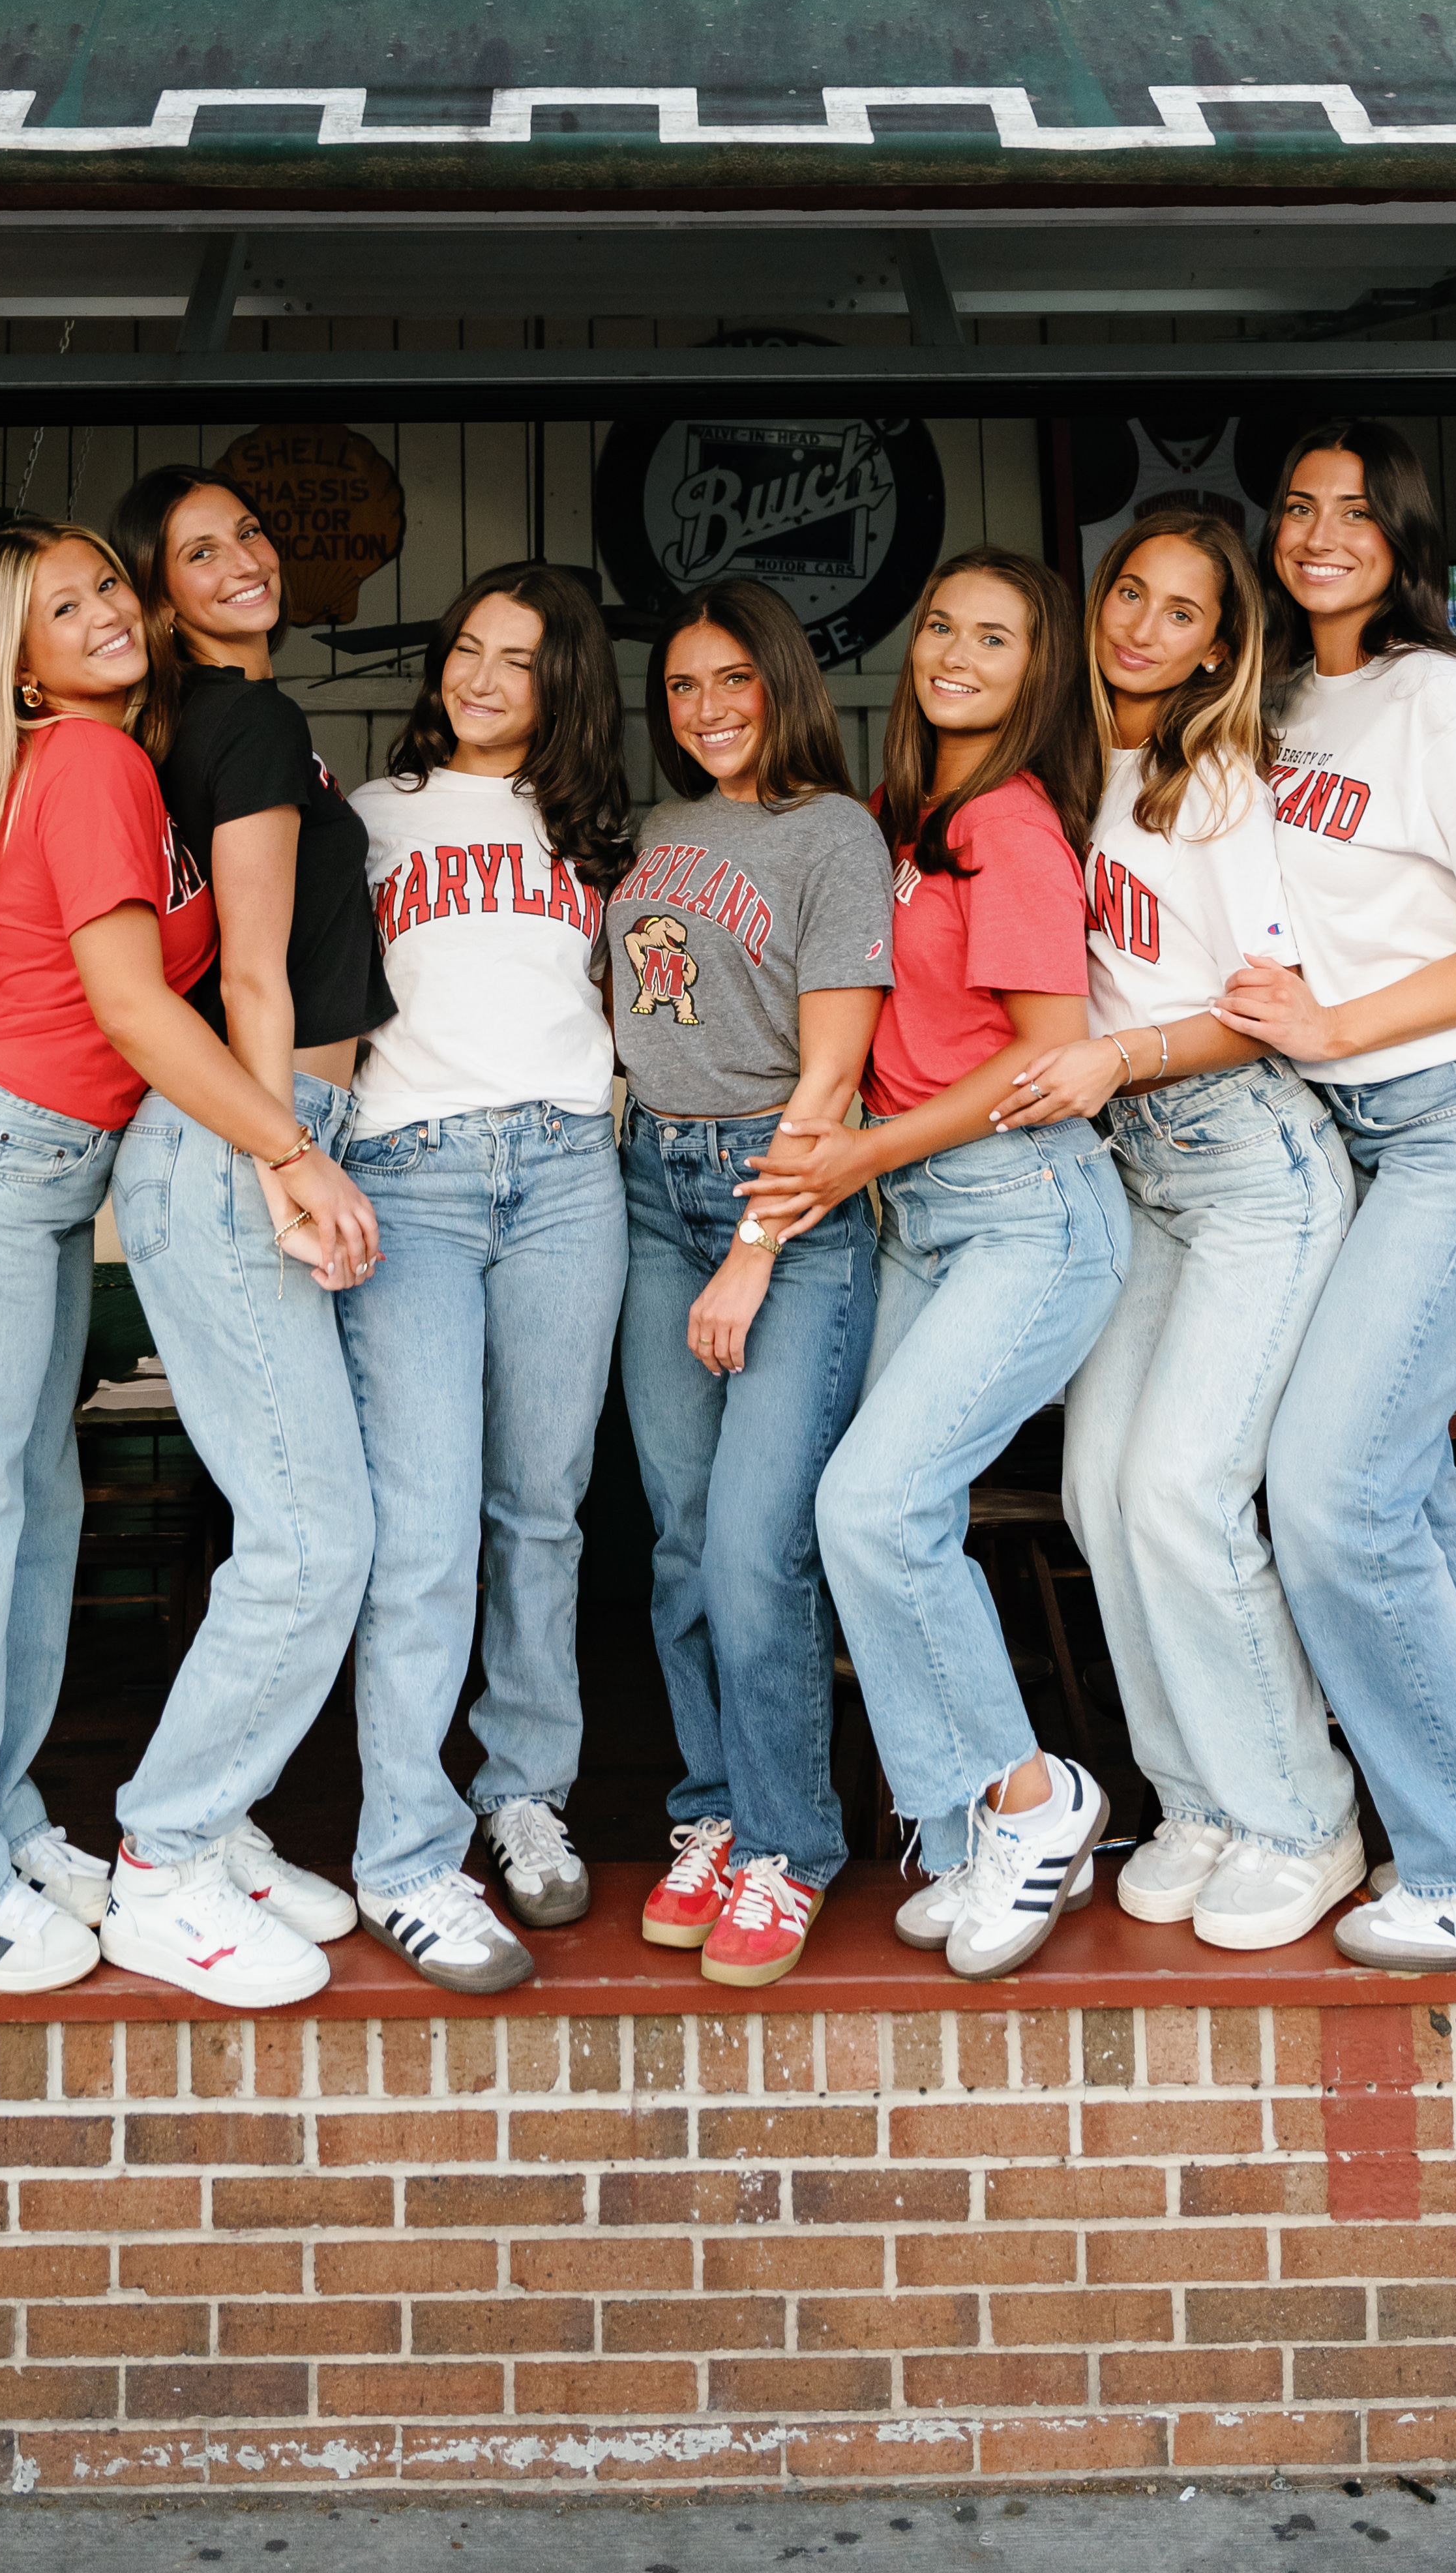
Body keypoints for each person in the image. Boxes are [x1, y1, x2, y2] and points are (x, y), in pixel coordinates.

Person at [0, 524, 376, 1997]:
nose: (102, 617)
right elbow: (136, 1014)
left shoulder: (116, 764)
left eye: (102, 590)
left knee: (22, 1530)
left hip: (37, 1182)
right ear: (13, 667)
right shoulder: (87, 765)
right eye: (57, 609)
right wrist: (283, 1149)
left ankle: (1, 1824)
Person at [1217, 419, 1456, 1971]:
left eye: (1355, 512)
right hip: (1362, 1142)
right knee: (1406, 1494)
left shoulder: (1439, 699)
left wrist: (1331, 1028)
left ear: (1401, 537)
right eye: (1299, 509)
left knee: (1331, 1493)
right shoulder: (1281, 700)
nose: (1319, 533)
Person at [770, 548, 1129, 1982]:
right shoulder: (900, 816)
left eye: (995, 637)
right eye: (940, 628)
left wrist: (860, 1152)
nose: (955, 654)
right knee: (869, 1517)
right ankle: (972, 1812)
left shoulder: (1012, 827)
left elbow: (1054, 1062)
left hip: (1028, 1208)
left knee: (873, 1503)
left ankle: (1033, 1804)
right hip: (927, 1207)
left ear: (1037, 672)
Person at [1025, 511, 1361, 1950]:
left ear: (1220, 644)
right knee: (1101, 1496)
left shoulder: (1212, 778)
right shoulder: (1061, 772)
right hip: (1135, 1174)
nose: (1142, 630)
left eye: (1181, 613)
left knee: (1179, 1490)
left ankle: (1303, 1815)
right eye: (1128, 597)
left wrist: (1119, 1061)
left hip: (1248, 1167)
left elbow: (1254, 1004)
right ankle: (1199, 1801)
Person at [98, 469, 392, 2009]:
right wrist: (287, 1157)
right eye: (195, 553)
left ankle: (223, 1822)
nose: (240, 563)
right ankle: (165, 1850)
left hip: (237, 1141)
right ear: (156, 597)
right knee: (310, 1537)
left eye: (250, 535)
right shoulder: (250, 727)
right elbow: (257, 981)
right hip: (244, 1139)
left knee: (293, 1522)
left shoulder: (206, 732)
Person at [336, 565, 636, 1991]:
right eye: (466, 650)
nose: (478, 678)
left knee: (543, 1510)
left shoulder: (602, 838)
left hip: (573, 1172)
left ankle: (524, 1788)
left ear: (561, 684)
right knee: (424, 1523)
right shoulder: (368, 819)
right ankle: (403, 1842)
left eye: (515, 661)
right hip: (413, 1179)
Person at [600, 578, 893, 1988]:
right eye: (681, 688)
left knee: (748, 1545)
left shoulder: (831, 833)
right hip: (648, 1185)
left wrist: (752, 1249)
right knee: (674, 1542)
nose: (706, 709)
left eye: (732, 680)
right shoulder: (657, 832)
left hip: (784, 1199)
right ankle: (710, 1813)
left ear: (782, 681)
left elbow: (834, 1072)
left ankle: (790, 1846)